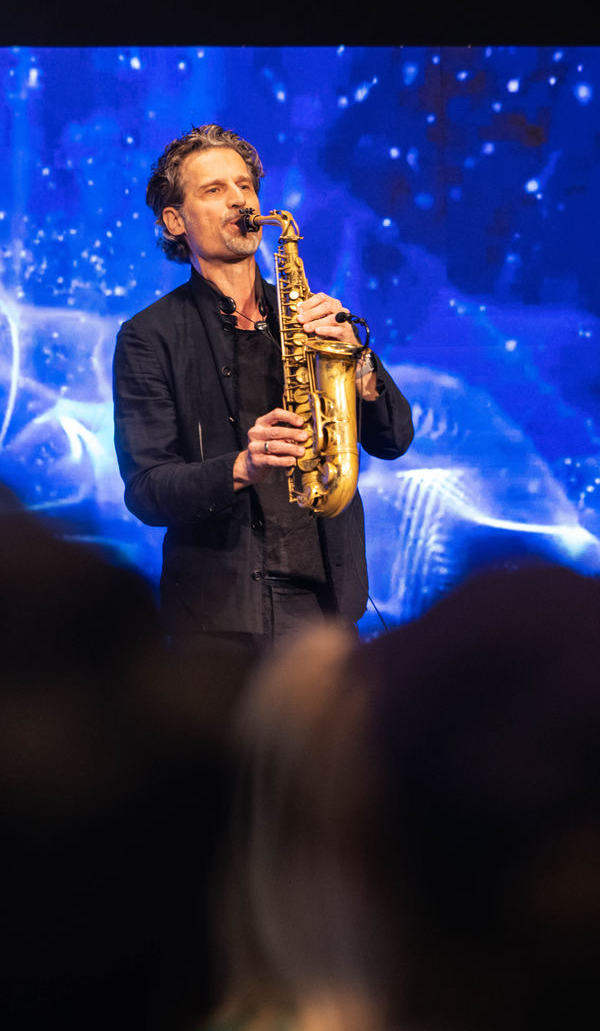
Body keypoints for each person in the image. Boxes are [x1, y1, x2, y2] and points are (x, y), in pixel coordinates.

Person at [114, 125, 412, 652]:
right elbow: (147, 491)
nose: (239, 200)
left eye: (245, 186)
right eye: (214, 190)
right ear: (176, 221)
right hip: (219, 620)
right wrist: (241, 467)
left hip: (326, 608)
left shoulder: (311, 317)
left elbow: (394, 440)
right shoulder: (148, 337)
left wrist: (356, 357)